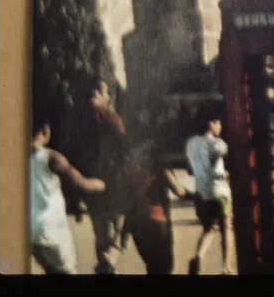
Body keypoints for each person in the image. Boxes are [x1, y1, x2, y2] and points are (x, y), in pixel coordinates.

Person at [30, 118, 106, 274]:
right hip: (52, 231)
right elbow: (80, 182)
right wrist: (103, 184)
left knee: (51, 271)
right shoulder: (51, 157)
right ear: (45, 130)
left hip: (31, 232)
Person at [121, 145, 193, 274]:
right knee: (164, 268)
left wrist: (124, 232)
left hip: (137, 226)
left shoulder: (131, 173)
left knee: (152, 266)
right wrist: (193, 195)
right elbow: (179, 191)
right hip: (158, 224)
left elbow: (128, 203)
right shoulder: (162, 170)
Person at [85, 78, 129, 274]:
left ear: (107, 97)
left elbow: (123, 150)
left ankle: (108, 263)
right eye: (92, 91)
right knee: (101, 235)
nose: (94, 93)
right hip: (93, 184)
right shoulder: (84, 121)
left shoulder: (113, 119)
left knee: (118, 230)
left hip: (113, 181)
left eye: (99, 91)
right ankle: (107, 266)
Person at [185, 111, 235, 275]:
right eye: (218, 123)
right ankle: (226, 267)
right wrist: (224, 174)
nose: (220, 126)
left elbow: (191, 170)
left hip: (201, 192)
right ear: (210, 124)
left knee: (208, 228)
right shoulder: (217, 143)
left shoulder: (191, 143)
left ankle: (198, 256)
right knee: (226, 228)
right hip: (219, 191)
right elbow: (214, 163)